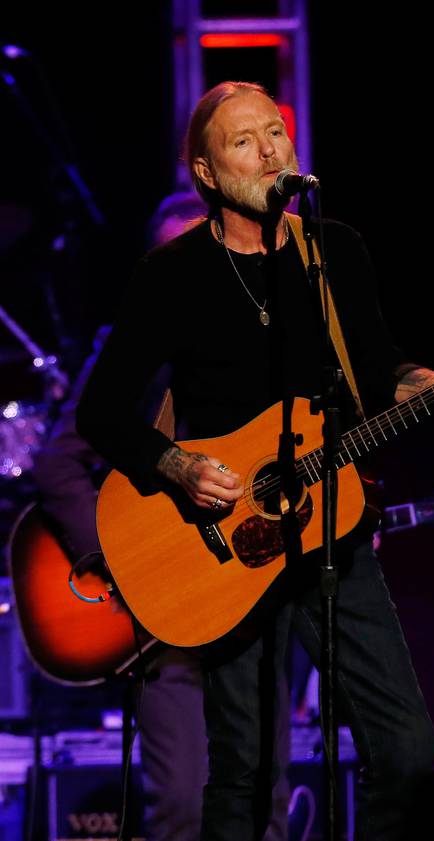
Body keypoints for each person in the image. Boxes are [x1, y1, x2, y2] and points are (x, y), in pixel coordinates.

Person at [75, 81, 434, 840]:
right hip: (224, 544)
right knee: (245, 766)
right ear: (206, 173)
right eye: (243, 140)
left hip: (329, 531)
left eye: (274, 131)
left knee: (407, 749)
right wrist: (178, 467)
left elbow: (381, 373)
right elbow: (100, 414)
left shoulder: (333, 249)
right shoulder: (170, 276)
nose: (269, 148)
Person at [33, 190, 288, 841]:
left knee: (265, 800)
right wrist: (113, 557)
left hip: (247, 598)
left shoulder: (267, 348)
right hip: (162, 619)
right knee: (180, 802)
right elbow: (56, 466)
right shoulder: (129, 354)